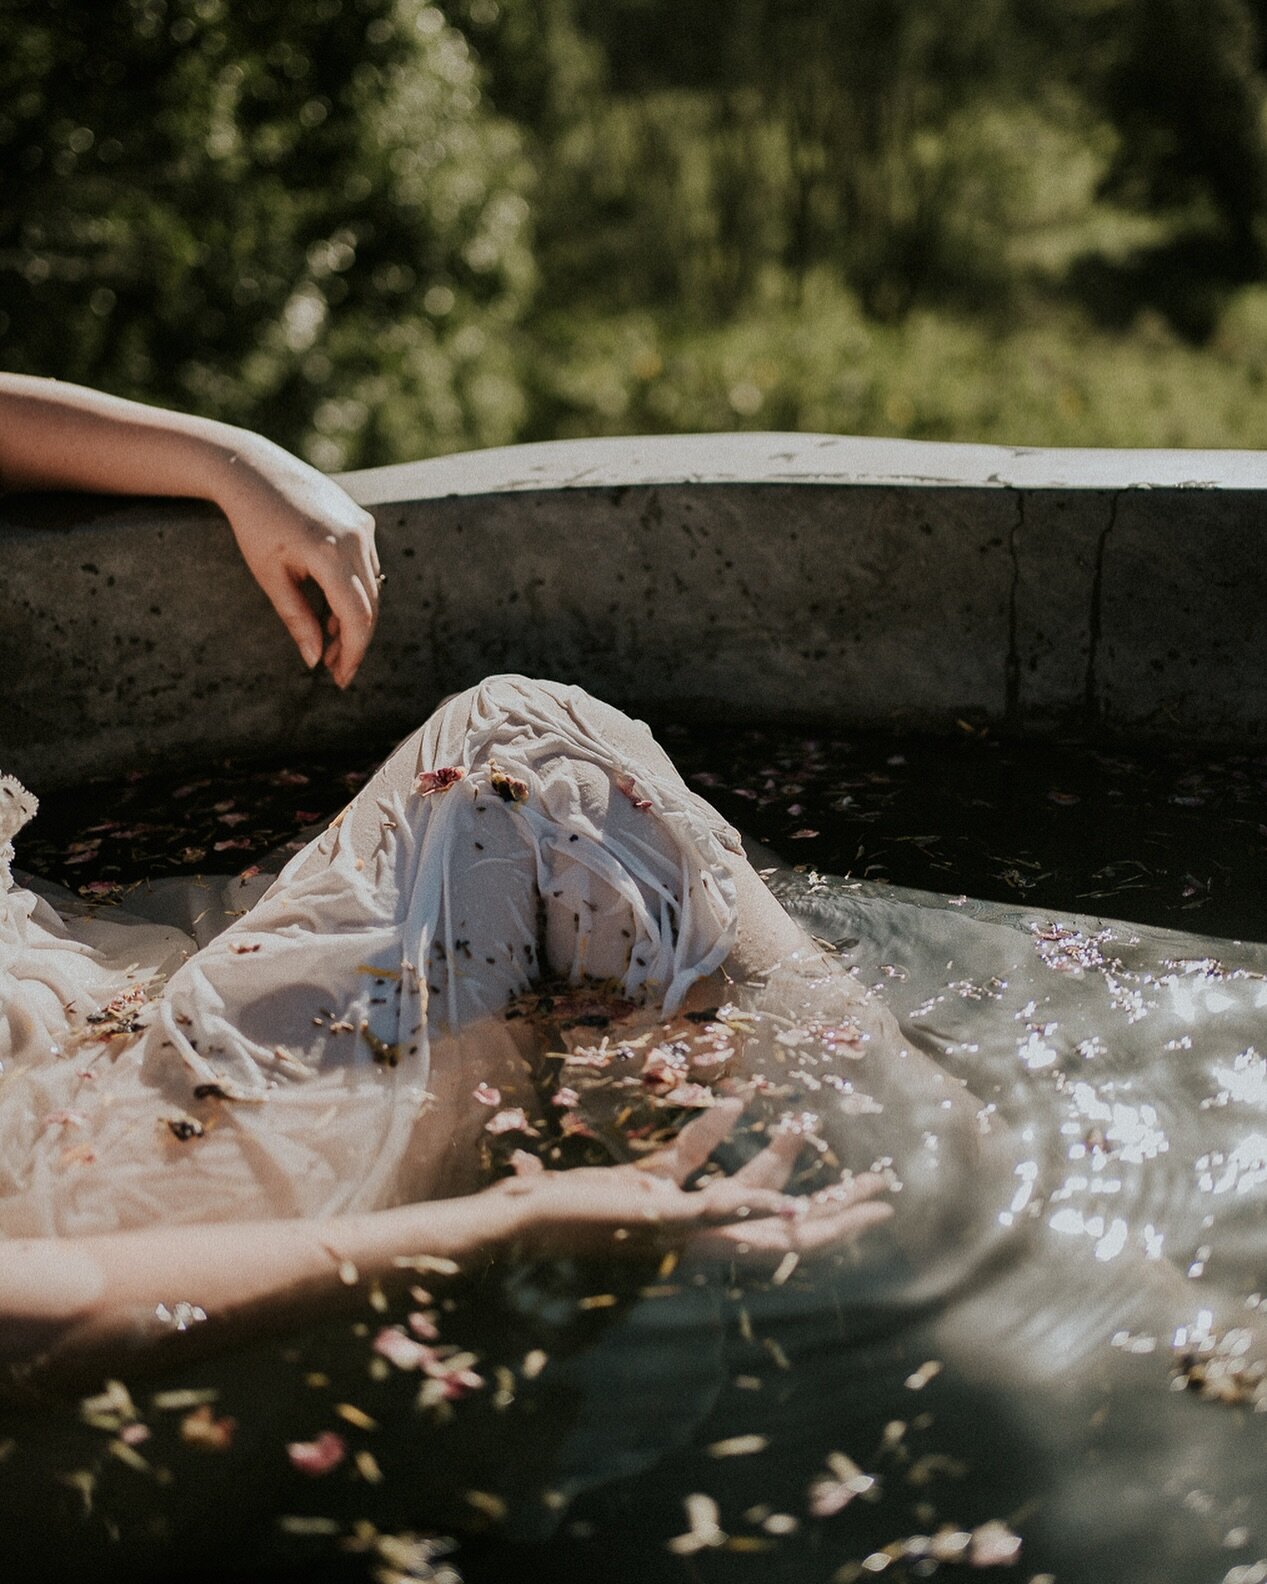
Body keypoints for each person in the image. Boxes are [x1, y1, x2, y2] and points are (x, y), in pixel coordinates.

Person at [0, 379, 898, 1396]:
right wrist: (501, 1228)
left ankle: (906, 1164)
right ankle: (941, 1199)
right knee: (526, 754)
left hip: (91, 978)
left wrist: (234, 462)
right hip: (104, 1192)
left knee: (527, 762)